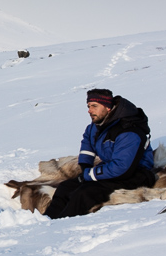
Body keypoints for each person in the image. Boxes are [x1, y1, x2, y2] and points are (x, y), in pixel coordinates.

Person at [45, 89, 155, 219]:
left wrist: (89, 175)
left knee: (84, 193)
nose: (90, 110)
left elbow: (122, 167)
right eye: (89, 106)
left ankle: (62, 224)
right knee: (65, 187)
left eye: (94, 106)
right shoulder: (97, 125)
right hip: (113, 170)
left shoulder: (129, 131)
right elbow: (87, 144)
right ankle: (47, 220)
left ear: (108, 107)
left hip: (135, 174)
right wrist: (85, 167)